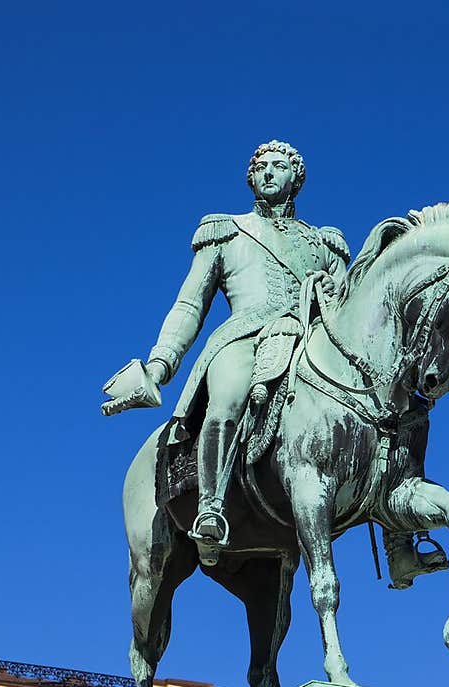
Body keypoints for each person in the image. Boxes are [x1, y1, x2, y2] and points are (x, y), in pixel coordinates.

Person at [141, 140, 349, 556]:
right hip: (245, 336)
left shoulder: (325, 244)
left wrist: (334, 289)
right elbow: (189, 304)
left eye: (279, 166)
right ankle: (211, 507)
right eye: (261, 168)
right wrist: (160, 363)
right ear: (252, 178)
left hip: (309, 339)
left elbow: (350, 312)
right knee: (228, 398)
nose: (269, 173)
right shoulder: (226, 231)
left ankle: (398, 531)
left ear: (297, 178)